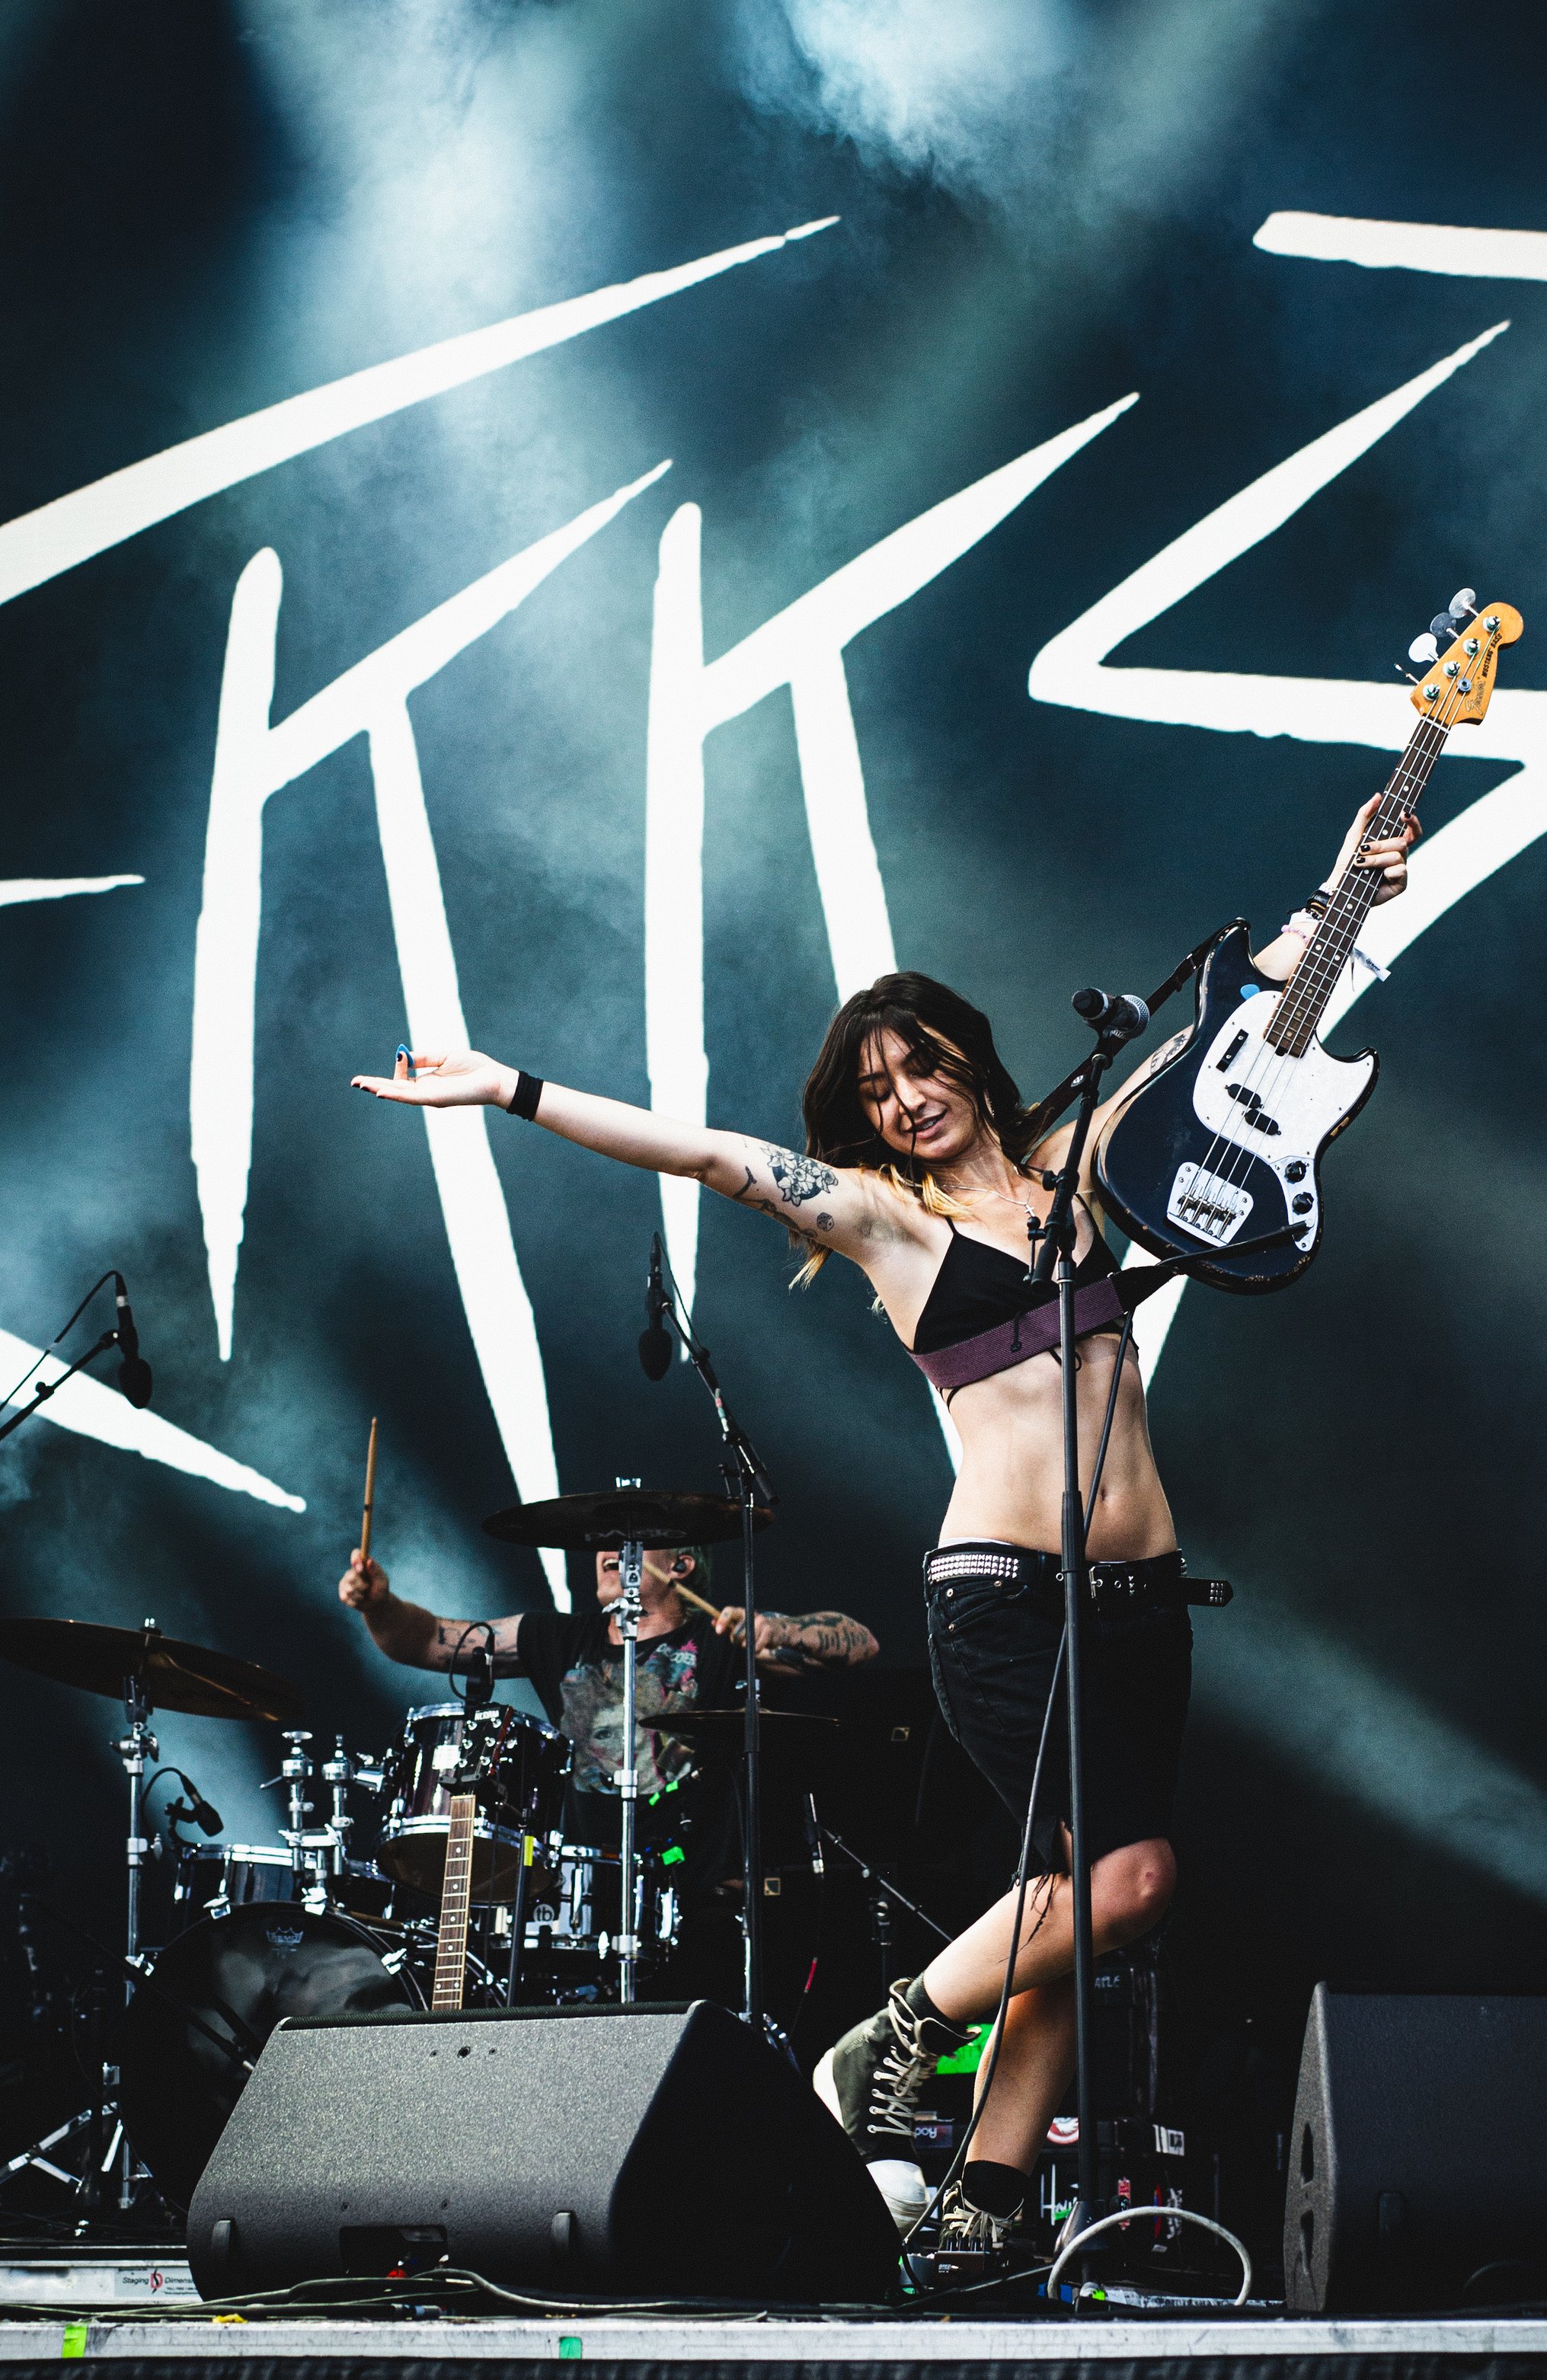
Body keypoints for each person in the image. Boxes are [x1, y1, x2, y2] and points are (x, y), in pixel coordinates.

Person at [348, 791, 1416, 2247]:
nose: (908, 1096)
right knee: (1131, 1881)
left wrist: (1351, 887)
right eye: (877, 1087)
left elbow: (1241, 1040)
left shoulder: (1088, 1163)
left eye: (923, 1064)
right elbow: (712, 1155)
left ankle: (980, 2207)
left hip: (1146, 1596)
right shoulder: (888, 1222)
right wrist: (510, 1089)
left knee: (1074, 1908)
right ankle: (892, 2030)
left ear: (970, 1057)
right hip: (1004, 1595)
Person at [339, 1541, 878, 1845]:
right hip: (584, 1886)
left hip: (695, 1889)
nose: (607, 1548)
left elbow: (861, 1644)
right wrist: (379, 1605)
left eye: (631, 1537)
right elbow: (430, 1642)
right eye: (603, 1537)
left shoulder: (718, 1638)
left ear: (680, 1565)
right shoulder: (559, 1637)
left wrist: (779, 1629)